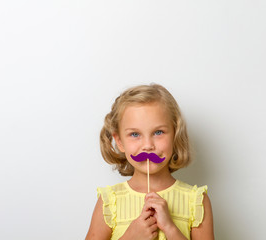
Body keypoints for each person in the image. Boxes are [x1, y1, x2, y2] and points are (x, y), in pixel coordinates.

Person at [86, 84, 214, 240]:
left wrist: (170, 228)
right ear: (119, 141)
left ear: (175, 135)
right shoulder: (109, 201)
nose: (148, 146)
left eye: (158, 132)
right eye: (134, 134)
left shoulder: (196, 201)